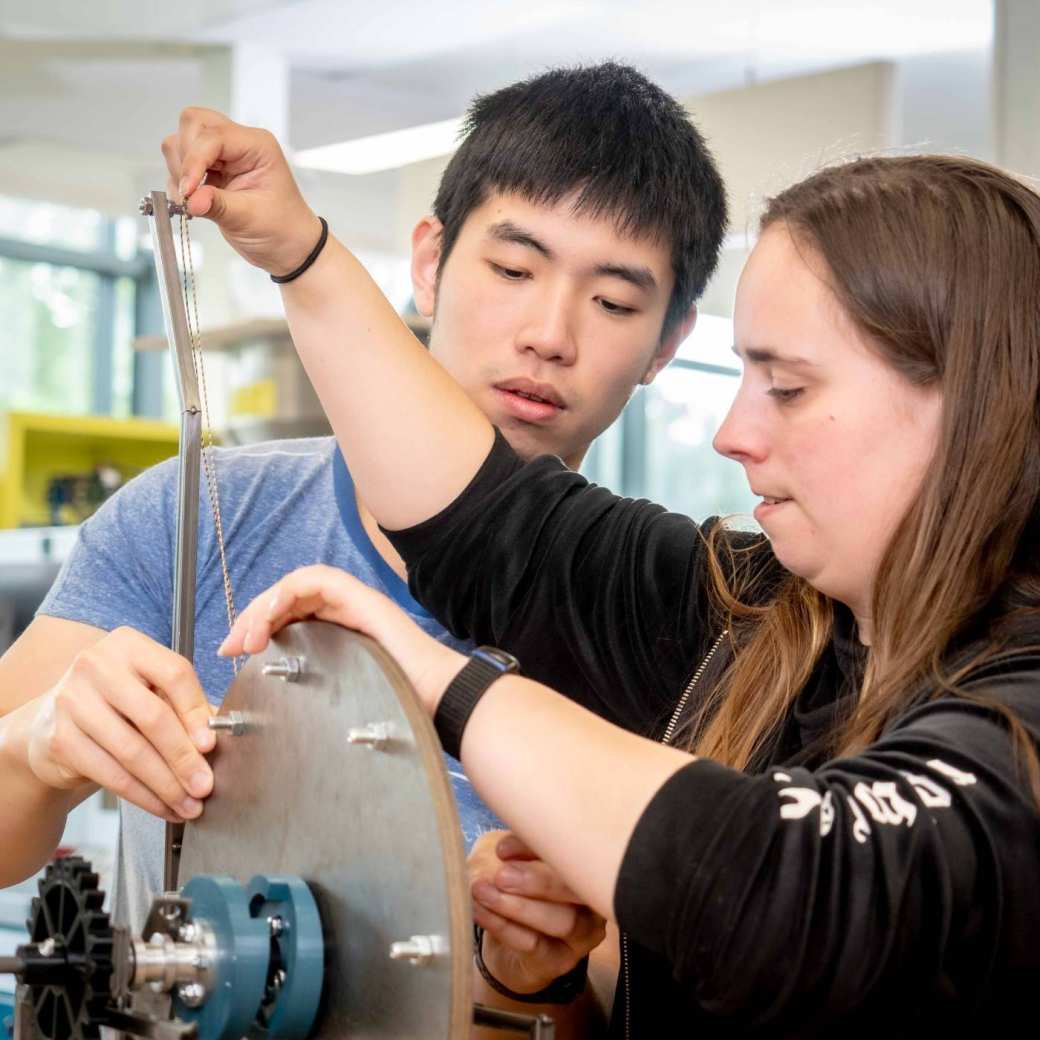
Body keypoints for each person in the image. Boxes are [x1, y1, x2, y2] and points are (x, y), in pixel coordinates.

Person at [171, 108, 1040, 1036]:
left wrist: (444, 685)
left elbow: (803, 898)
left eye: (788, 388)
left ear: (974, 406)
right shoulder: (757, 614)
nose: (735, 434)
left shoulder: (1018, 701)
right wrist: (300, 253)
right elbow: (489, 527)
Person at [0, 63, 726, 1029]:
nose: (550, 335)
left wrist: (528, 971)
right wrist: (38, 745)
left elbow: (613, 1011)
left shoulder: (668, 640)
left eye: (615, 304)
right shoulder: (196, 516)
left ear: (669, 344)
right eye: (513, 270)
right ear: (428, 261)